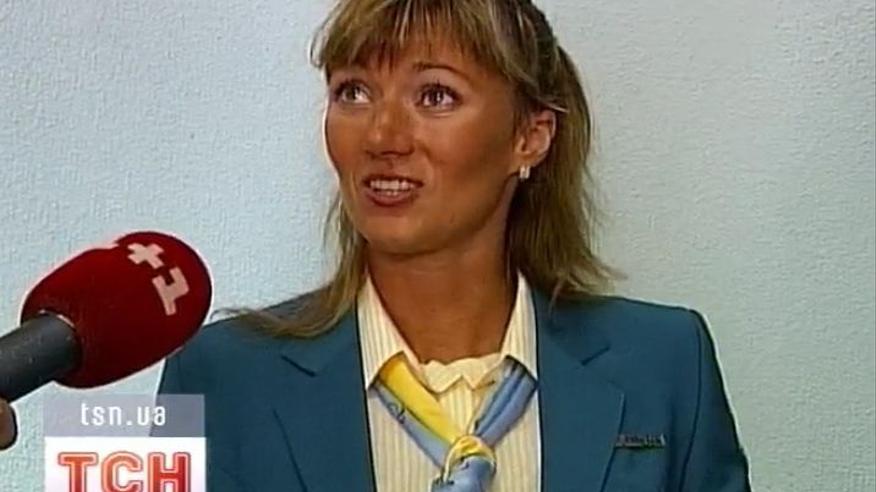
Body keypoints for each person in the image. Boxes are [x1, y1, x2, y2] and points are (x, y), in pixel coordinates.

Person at [157, 0, 751, 490]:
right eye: (354, 92)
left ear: (530, 136)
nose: (382, 135)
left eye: (435, 96)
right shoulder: (211, 375)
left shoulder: (669, 363)